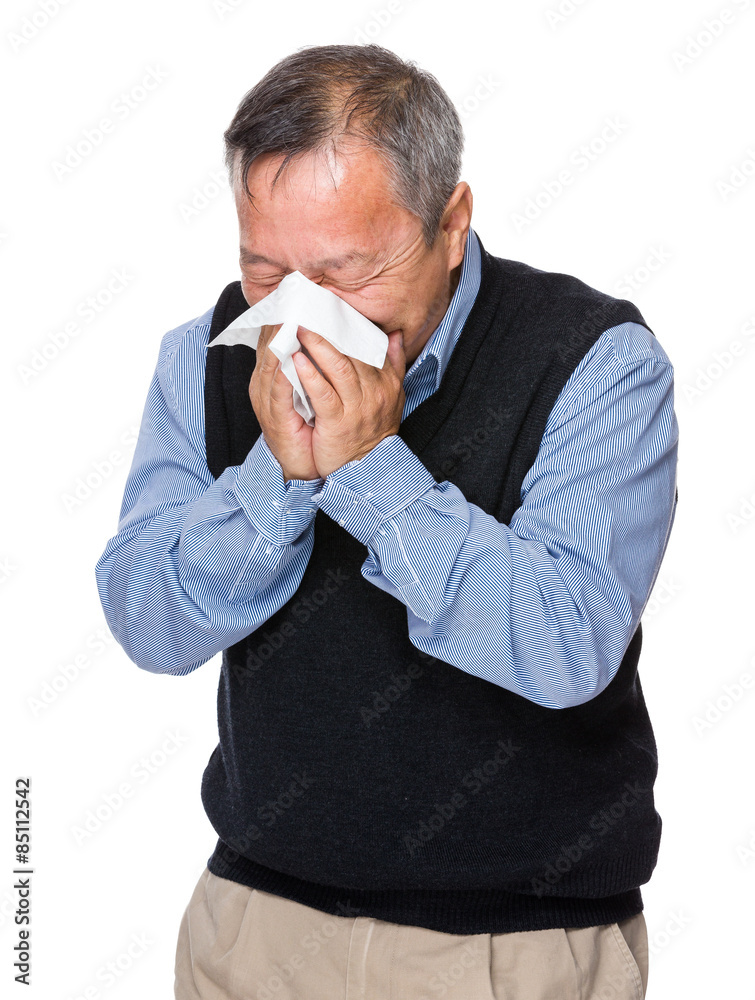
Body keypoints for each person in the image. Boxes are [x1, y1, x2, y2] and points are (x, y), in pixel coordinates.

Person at [95, 43, 678, 1000]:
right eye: (264, 269)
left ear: (450, 223)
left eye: (345, 273)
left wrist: (371, 468)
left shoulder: (595, 361)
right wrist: (277, 476)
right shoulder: (200, 356)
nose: (301, 316)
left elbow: (566, 646)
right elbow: (148, 625)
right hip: (253, 924)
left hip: (512, 945)